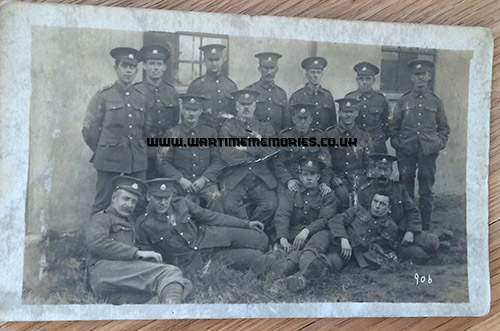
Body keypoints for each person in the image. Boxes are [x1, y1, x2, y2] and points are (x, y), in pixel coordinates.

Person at [85, 176, 192, 304]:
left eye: (133, 201)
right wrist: (136, 253)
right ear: (114, 198)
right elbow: (97, 244)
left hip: (121, 279)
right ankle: (171, 310)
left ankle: (153, 303)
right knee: (170, 273)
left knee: (183, 283)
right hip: (105, 270)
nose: (129, 205)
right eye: (125, 199)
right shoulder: (102, 218)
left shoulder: (131, 223)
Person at [136, 178, 269, 274]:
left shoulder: (181, 203)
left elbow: (210, 216)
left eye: (167, 198)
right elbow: (153, 261)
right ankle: (276, 259)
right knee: (257, 257)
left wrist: (246, 224)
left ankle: (275, 253)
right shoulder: (143, 226)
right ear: (148, 196)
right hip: (201, 260)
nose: (163, 203)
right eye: (158, 198)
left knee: (261, 238)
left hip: (210, 236)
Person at [82, 47, 150, 215]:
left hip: (136, 160)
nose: (128, 70)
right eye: (124, 65)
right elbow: (89, 130)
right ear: (116, 68)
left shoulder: (141, 98)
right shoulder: (103, 96)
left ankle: (133, 239)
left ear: (136, 70)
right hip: (109, 160)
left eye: (132, 67)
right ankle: (95, 240)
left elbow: (147, 131)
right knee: (103, 202)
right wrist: (105, 149)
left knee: (138, 202)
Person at [250, 157, 338, 281]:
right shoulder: (292, 192)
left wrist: (307, 230)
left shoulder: (327, 195)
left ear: (318, 177)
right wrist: (283, 238)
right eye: (305, 174)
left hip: (315, 235)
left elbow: (325, 219)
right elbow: (283, 214)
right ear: (300, 177)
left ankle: (286, 270)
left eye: (312, 174)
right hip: (293, 234)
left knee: (303, 253)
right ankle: (269, 260)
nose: (308, 178)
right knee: (282, 249)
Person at [389, 59, 450, 234]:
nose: (420, 78)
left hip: (428, 152)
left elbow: (444, 128)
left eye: (423, 74)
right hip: (406, 150)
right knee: (405, 188)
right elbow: (394, 126)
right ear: (411, 77)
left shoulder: (436, 102)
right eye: (417, 75)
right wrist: (398, 144)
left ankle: (425, 228)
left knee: (426, 190)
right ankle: (408, 226)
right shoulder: (404, 101)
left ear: (429, 76)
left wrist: (438, 144)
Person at [219, 89, 278, 234]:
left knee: (271, 204)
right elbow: (228, 154)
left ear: (255, 106)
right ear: (236, 106)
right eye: (242, 104)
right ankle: (246, 231)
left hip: (259, 178)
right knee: (228, 206)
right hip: (236, 177)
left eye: (249, 104)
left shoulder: (265, 128)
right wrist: (258, 149)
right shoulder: (227, 127)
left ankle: (252, 234)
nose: (246, 107)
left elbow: (270, 152)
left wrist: (244, 148)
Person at [358, 154, 447, 250]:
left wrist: (410, 231)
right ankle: (439, 238)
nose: (382, 174)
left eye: (386, 170)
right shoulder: (364, 192)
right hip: (379, 236)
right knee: (419, 255)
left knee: (431, 243)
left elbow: (412, 211)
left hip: (401, 232)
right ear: (374, 170)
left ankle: (437, 235)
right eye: (379, 169)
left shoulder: (399, 189)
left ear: (391, 171)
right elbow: (359, 218)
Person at [157, 94, 224, 212]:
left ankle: (213, 230)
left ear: (201, 111)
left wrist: (204, 179)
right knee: (168, 201)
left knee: (216, 198)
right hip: (178, 183)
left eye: (195, 110)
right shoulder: (172, 133)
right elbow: (163, 162)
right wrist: (180, 179)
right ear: (182, 110)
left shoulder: (210, 133)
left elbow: (218, 161)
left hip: (204, 182)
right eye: (188, 109)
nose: (191, 114)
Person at [135, 44, 179, 179]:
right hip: (141, 154)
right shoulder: (135, 91)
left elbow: (175, 121)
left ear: (164, 67)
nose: (155, 67)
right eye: (151, 63)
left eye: (159, 64)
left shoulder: (171, 92)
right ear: (144, 66)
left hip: (166, 155)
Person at [322, 98, 373, 211]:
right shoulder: (330, 134)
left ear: (356, 113)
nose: (348, 115)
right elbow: (325, 162)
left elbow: (369, 162)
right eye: (345, 112)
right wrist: (332, 177)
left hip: (359, 178)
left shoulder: (364, 135)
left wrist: (367, 180)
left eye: (351, 112)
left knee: (362, 202)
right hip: (338, 179)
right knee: (341, 199)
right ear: (339, 113)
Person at [270, 103, 331, 195]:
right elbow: (277, 162)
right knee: (283, 202)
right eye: (299, 118)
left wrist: (324, 182)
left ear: (310, 120)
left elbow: (326, 163)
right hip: (292, 179)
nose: (302, 122)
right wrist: (288, 180)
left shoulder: (318, 136)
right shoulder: (285, 136)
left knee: (328, 197)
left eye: (305, 119)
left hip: (313, 180)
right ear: (293, 119)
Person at [187, 44, 238, 130]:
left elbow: (236, 113)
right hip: (204, 134)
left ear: (222, 60)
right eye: (210, 60)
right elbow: (187, 113)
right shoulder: (196, 86)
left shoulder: (231, 86)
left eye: (217, 60)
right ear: (204, 61)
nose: (214, 63)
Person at [345, 62, 390, 153]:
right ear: (357, 80)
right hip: (356, 144)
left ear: (373, 80)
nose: (364, 82)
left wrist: (378, 138)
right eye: (361, 79)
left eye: (368, 79)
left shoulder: (381, 99)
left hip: (377, 145)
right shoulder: (349, 98)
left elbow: (387, 123)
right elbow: (343, 123)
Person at [289, 56, 336, 131]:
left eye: (318, 72)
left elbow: (333, 125)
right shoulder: (297, 96)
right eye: (312, 72)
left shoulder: (328, 96)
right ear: (307, 74)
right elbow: (291, 125)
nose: (315, 75)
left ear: (322, 74)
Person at [245, 52, 289, 133]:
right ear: (259, 69)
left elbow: (286, 124)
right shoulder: (251, 91)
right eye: (266, 68)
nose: (269, 72)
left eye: (272, 68)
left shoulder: (281, 93)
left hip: (276, 141)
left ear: (276, 69)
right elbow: (244, 120)